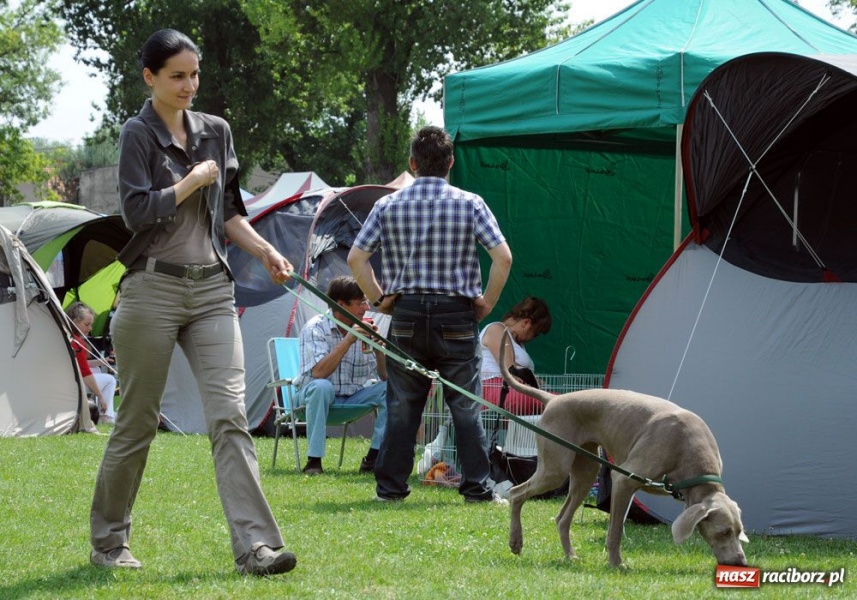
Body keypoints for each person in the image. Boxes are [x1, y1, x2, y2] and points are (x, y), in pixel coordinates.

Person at [89, 29, 296, 577]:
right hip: (150, 288)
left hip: (211, 290)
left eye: (194, 74)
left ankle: (257, 547)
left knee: (230, 417)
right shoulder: (137, 134)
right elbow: (137, 213)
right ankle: (109, 542)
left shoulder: (216, 132)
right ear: (149, 77)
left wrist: (267, 250)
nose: (189, 85)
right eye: (177, 75)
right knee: (134, 422)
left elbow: (229, 213)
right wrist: (188, 182)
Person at [347, 125, 513, 503]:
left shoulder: (386, 205)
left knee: (403, 406)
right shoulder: (471, 203)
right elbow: (503, 257)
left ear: (412, 163)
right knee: (466, 407)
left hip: (405, 314)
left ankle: (390, 489)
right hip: (457, 315)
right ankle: (477, 489)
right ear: (451, 162)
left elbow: (356, 257)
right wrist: (486, 300)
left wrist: (378, 299)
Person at [294, 275, 388, 475]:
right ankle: (314, 461)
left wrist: (380, 350)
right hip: (312, 400)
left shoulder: (365, 327)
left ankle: (374, 458)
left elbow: (385, 376)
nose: (367, 308)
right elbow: (319, 373)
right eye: (361, 303)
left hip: (352, 399)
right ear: (341, 305)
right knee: (322, 386)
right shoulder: (315, 328)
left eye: (366, 302)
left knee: (393, 390)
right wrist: (348, 340)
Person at [479, 297, 552, 415]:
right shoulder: (496, 328)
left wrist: (534, 380)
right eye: (535, 333)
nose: (534, 337)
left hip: (515, 389)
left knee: (559, 403)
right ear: (526, 323)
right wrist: (530, 378)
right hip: (494, 388)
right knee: (532, 402)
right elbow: (510, 369)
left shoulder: (518, 343)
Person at [66, 301, 117, 424]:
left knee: (97, 370)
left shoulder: (67, 336)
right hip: (73, 383)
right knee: (110, 380)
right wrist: (100, 396)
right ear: (75, 322)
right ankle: (106, 416)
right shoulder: (77, 342)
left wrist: (100, 362)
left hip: (66, 379)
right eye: (87, 324)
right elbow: (85, 373)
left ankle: (104, 413)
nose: (90, 328)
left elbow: (78, 364)